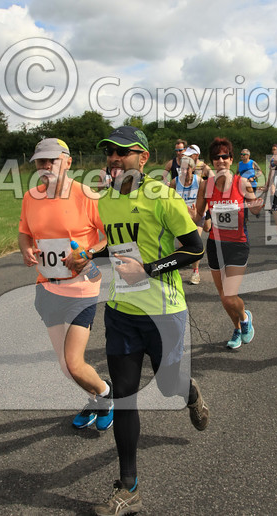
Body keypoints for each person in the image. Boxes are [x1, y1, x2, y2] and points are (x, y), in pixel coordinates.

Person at [89, 126, 208, 516]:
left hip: (164, 310)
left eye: (123, 152)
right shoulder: (106, 200)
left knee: (169, 384)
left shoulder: (163, 197)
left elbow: (194, 248)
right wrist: (89, 259)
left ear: (142, 158)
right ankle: (130, 488)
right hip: (122, 310)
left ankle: (189, 392)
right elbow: (116, 246)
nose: (114, 158)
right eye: (110, 152)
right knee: (124, 395)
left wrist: (150, 270)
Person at [18, 138, 114, 430]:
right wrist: (25, 248)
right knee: (66, 368)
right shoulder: (30, 197)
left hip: (81, 288)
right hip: (47, 287)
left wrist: (88, 252)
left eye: (52, 160)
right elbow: (24, 232)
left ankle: (107, 396)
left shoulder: (87, 195)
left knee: (73, 363)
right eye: (40, 161)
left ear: (68, 162)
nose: (46, 166)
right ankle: (96, 397)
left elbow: (108, 235)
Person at [194, 137, 264, 349]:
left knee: (229, 296)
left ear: (231, 159)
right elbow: (198, 215)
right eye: (216, 157)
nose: (221, 160)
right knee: (223, 297)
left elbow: (255, 209)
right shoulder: (206, 185)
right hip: (216, 244)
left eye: (225, 156)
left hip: (238, 245)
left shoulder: (241, 183)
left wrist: (258, 201)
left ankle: (244, 317)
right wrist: (189, 214)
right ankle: (236, 328)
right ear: (212, 161)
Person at [170, 155, 206, 284]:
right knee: (183, 246)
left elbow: (205, 199)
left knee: (195, 242)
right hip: (182, 217)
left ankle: (195, 272)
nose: (184, 171)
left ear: (193, 168)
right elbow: (170, 200)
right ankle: (180, 266)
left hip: (197, 216)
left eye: (187, 168)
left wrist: (199, 213)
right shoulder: (175, 182)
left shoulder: (200, 181)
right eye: (182, 168)